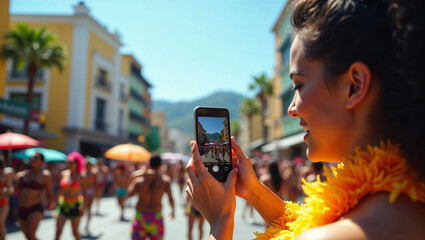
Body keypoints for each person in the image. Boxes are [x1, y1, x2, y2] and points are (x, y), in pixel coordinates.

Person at [185, 0, 425, 239]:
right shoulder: (407, 199)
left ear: (354, 86)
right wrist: (253, 191)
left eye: (299, 85)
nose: (291, 109)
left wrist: (220, 220)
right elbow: (306, 224)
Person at [128, 155, 175, 240]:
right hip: (156, 216)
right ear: (161, 165)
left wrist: (140, 175)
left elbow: (129, 194)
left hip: (140, 216)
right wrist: (173, 210)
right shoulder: (165, 180)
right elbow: (171, 199)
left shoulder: (139, 179)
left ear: (149, 164)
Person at [16, 152, 53, 240]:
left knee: (30, 234)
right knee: (28, 237)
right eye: (32, 157)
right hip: (21, 208)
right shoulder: (22, 175)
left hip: (35, 208)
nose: (32, 159)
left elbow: (49, 192)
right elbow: (14, 191)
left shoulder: (45, 175)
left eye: (36, 158)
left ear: (42, 162)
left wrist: (51, 203)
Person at [55, 152, 87, 240]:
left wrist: (83, 207)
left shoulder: (81, 176)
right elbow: (60, 191)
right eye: (68, 162)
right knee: (58, 230)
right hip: (63, 204)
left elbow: (84, 193)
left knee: (75, 232)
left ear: (77, 164)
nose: (69, 164)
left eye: (71, 162)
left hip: (75, 205)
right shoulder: (63, 173)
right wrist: (56, 205)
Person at [0, 156, 13, 240]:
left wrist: (2, 190)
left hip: (3, 202)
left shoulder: (6, 174)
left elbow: (11, 190)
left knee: (0, 223)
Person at [83, 157, 98, 233]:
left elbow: (95, 184)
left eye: (89, 164)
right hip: (84, 192)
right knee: (83, 207)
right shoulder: (83, 173)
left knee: (89, 208)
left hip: (91, 192)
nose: (88, 165)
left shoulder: (94, 173)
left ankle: (87, 224)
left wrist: (95, 193)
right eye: (87, 164)